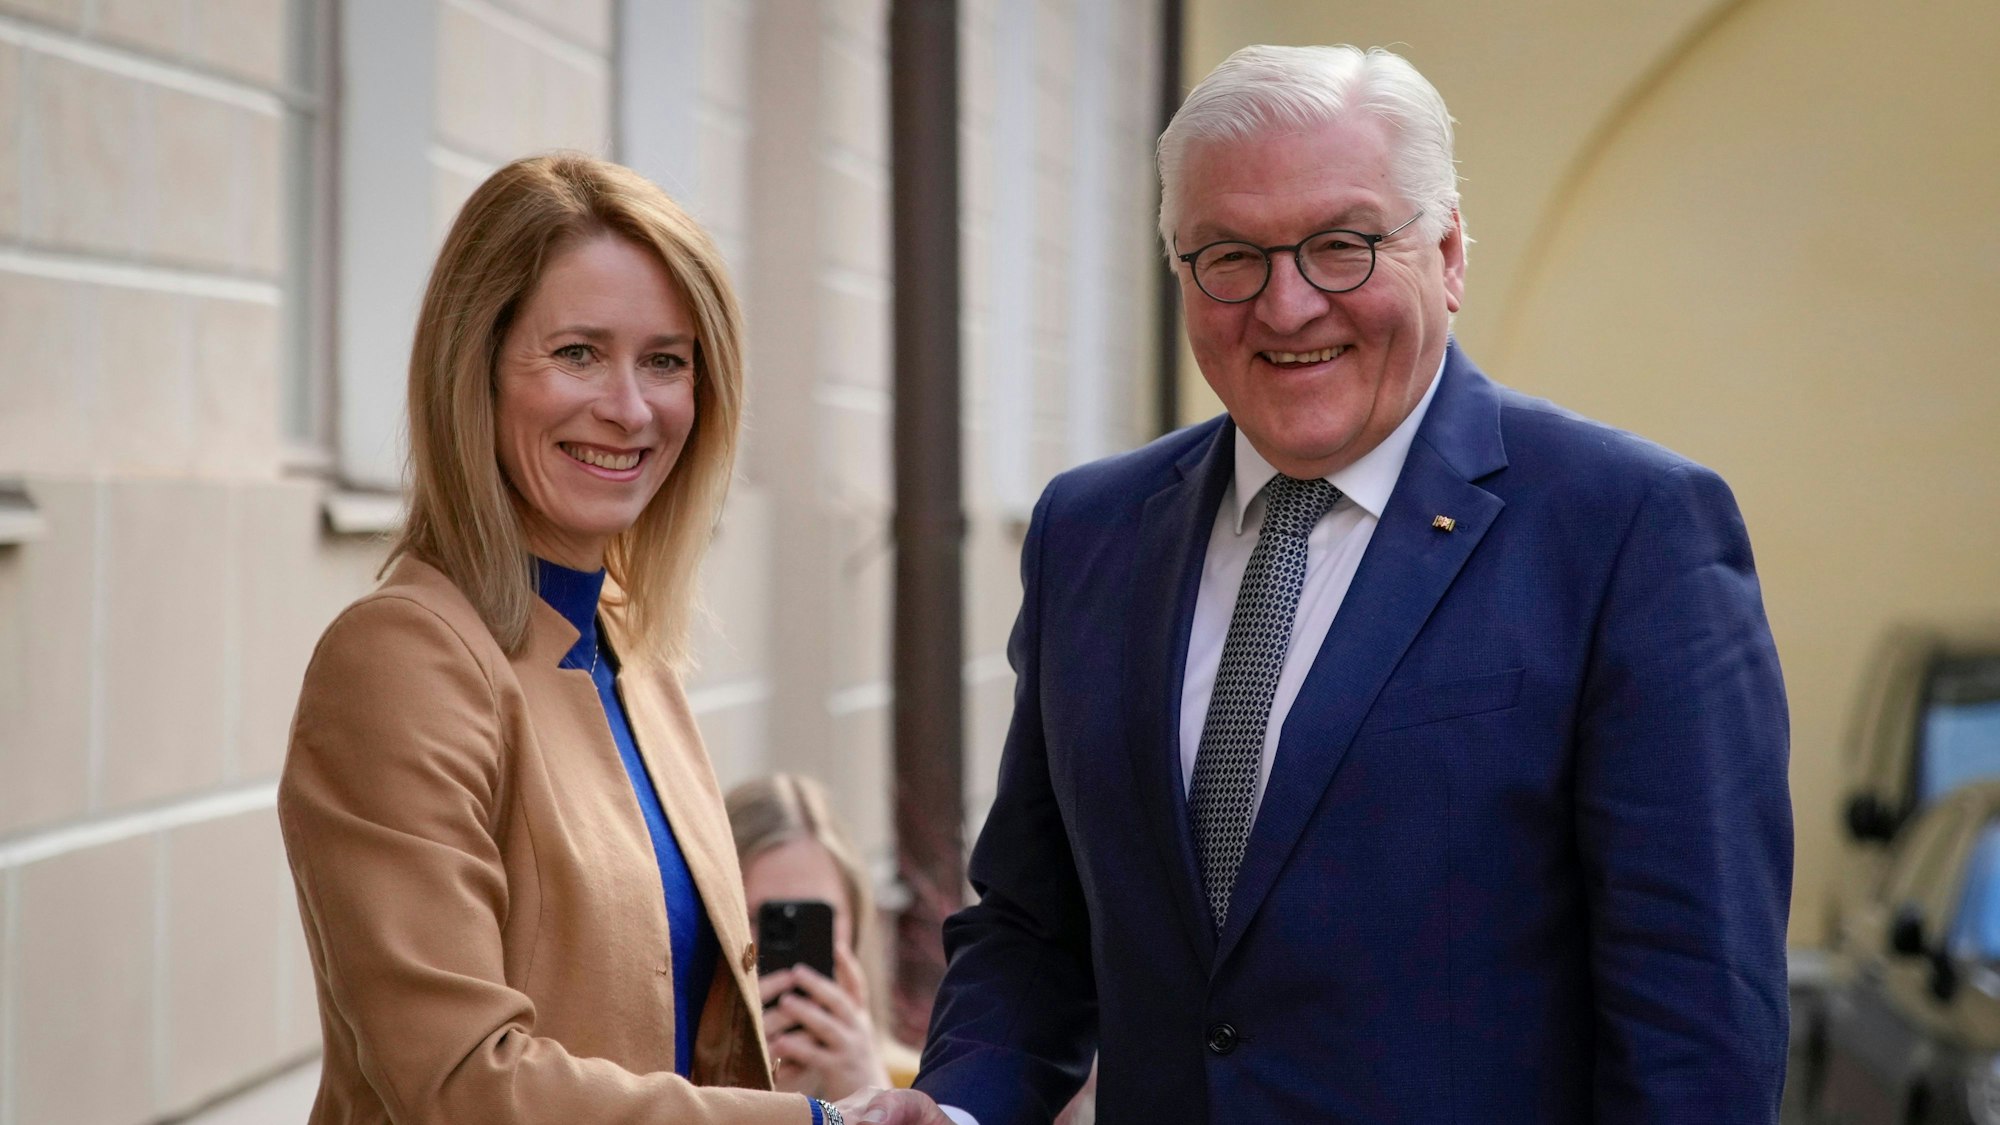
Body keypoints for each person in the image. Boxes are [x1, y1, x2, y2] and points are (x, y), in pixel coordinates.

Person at [853, 44, 1792, 1125]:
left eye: (1341, 245)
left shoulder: (1625, 530)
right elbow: (1032, 925)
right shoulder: (1091, 532)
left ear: (1444, 256)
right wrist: (958, 1108)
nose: (1286, 305)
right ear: (1180, 273)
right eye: (1228, 256)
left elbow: (1693, 1020)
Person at [279, 154, 855, 1125]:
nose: (629, 409)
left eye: (665, 360)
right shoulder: (402, 662)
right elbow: (463, 1083)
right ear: (479, 366)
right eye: (578, 352)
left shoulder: (633, 655)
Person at [727, 774, 922, 1101]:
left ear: (856, 923)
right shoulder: (668, 1091)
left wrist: (871, 1098)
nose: (787, 942)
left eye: (813, 917)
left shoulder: (919, 1086)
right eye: (755, 918)